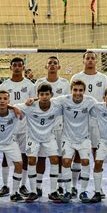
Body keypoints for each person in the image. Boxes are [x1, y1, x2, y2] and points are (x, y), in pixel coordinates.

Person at [70, 51, 107, 197]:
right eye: (88, 58)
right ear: (83, 61)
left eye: (93, 58)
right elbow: (71, 97)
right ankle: (74, 187)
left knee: (97, 155)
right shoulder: (76, 77)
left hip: (98, 120)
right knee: (78, 154)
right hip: (79, 121)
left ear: (96, 61)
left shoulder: (103, 78)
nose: (90, 60)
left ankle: (98, 188)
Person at [17, 84, 63, 202]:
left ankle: (53, 191)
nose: (44, 96)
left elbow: (70, 101)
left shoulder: (56, 106)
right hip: (33, 138)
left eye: (47, 94)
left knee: (55, 160)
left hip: (48, 137)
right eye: (41, 94)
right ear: (38, 95)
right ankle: (33, 191)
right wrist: (30, 101)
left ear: (51, 95)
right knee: (31, 160)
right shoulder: (30, 106)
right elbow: (14, 107)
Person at [55, 80, 97, 203]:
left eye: (80, 90)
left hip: (84, 138)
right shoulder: (63, 99)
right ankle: (68, 191)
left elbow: (103, 106)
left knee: (85, 161)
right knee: (66, 161)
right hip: (67, 138)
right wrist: (32, 100)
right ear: (71, 90)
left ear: (84, 91)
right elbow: (46, 101)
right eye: (75, 90)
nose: (77, 93)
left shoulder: (90, 101)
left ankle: (83, 191)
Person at [0, 57, 35, 197]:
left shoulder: (30, 85)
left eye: (20, 65)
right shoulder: (4, 85)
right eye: (15, 65)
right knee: (6, 155)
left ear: (23, 67)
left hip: (25, 125)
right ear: (11, 67)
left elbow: (33, 105)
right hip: (9, 125)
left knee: (25, 156)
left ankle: (23, 185)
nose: (17, 67)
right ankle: (5, 185)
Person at [34, 56, 70, 197]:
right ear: (46, 66)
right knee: (41, 157)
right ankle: (38, 186)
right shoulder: (39, 82)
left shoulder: (65, 83)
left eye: (55, 63)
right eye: (50, 63)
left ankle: (60, 186)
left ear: (59, 67)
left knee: (59, 157)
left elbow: (67, 104)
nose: (52, 65)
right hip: (43, 126)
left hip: (59, 125)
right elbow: (34, 102)